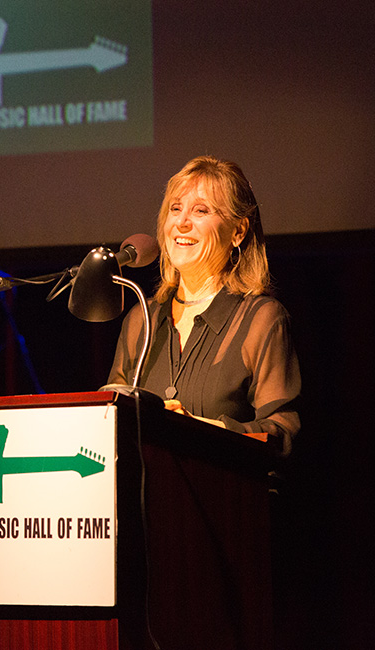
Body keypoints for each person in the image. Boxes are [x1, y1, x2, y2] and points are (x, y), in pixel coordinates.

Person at [107, 155, 300, 454]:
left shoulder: (261, 319)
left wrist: (197, 427)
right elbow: (111, 417)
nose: (182, 223)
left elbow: (281, 433)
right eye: (175, 209)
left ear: (238, 232)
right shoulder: (141, 319)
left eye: (201, 210)